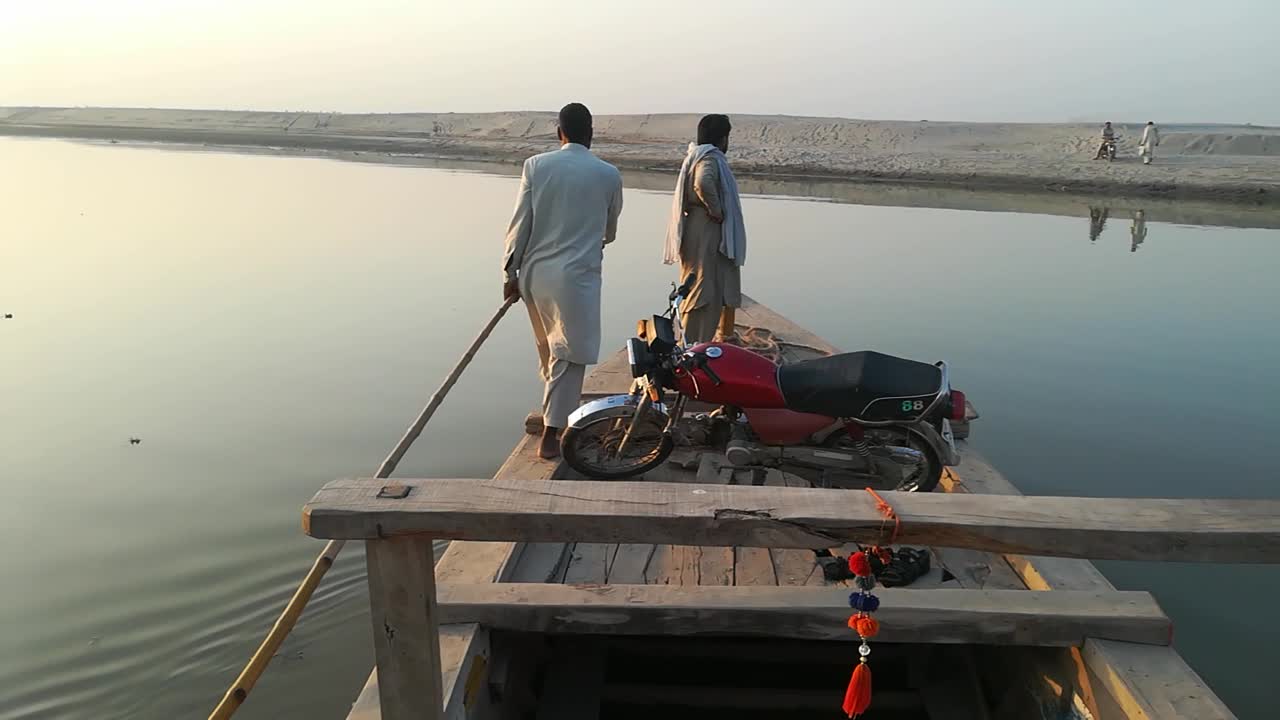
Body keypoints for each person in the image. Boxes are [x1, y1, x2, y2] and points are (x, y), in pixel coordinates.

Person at [502, 103, 624, 459]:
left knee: (549, 348)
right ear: (591, 134)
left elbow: (518, 225)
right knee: (569, 355)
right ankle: (553, 435)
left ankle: (553, 411)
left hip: (535, 277)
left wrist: (509, 274)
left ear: (560, 133)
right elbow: (609, 231)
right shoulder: (608, 174)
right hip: (575, 279)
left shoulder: (536, 166)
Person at [663, 114, 747, 343]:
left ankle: (699, 344)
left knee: (702, 284)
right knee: (703, 290)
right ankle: (693, 347)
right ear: (722, 139)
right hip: (706, 228)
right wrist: (716, 210)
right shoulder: (709, 159)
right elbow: (703, 182)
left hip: (700, 227)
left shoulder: (699, 155)